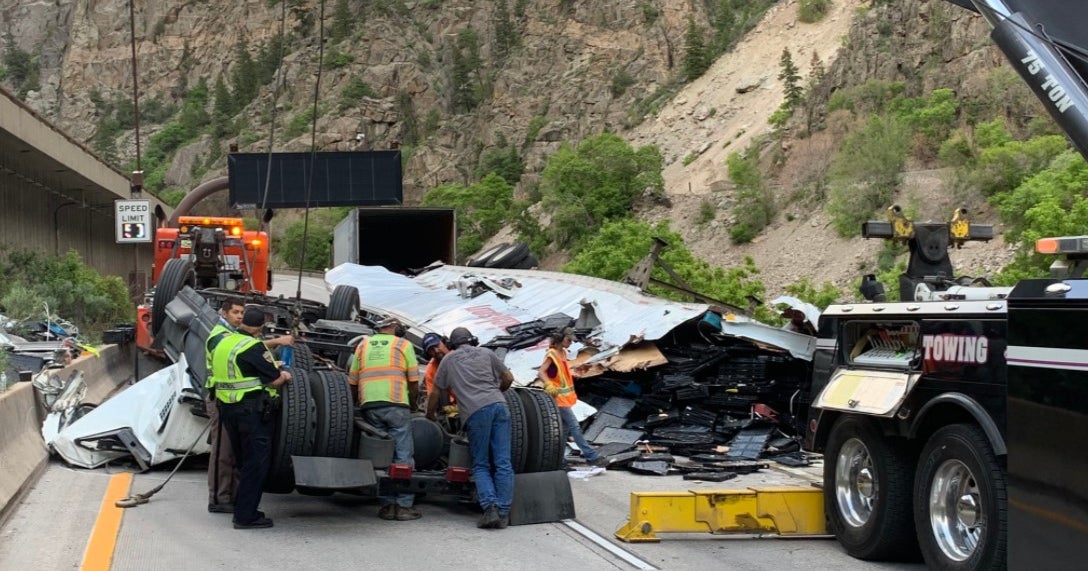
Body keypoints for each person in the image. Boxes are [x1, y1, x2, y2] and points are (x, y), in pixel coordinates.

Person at [205, 300, 295, 515]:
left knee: (238, 455)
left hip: (229, 400)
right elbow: (267, 373)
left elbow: (244, 361)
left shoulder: (232, 338)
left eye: (241, 312)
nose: (238, 315)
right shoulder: (219, 336)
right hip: (229, 401)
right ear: (224, 313)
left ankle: (235, 497)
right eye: (235, 312)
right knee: (224, 453)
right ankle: (220, 498)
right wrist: (279, 371)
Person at [427, 327, 515, 530]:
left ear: (451, 344)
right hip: (500, 407)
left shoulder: (448, 360)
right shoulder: (487, 352)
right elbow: (508, 378)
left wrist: (429, 415)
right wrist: (495, 393)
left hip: (476, 412)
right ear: (472, 340)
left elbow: (434, 393)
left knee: (481, 464)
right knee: (503, 462)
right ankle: (503, 513)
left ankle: (490, 508)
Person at [349, 317, 421, 521]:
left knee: (381, 457)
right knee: (403, 455)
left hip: (370, 405)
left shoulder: (362, 345)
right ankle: (404, 505)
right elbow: (414, 381)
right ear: (391, 327)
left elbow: (352, 381)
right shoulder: (403, 344)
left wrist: (354, 406)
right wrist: (413, 404)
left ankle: (387, 505)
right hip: (396, 403)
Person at [538, 327, 607, 468]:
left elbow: (562, 372)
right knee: (574, 426)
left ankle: (559, 461)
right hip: (557, 397)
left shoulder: (563, 352)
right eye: (568, 340)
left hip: (565, 397)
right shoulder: (552, 354)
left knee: (565, 430)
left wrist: (578, 370)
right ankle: (591, 456)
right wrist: (548, 384)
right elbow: (541, 372)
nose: (570, 343)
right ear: (559, 338)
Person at [420, 332, 454, 410]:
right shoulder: (431, 369)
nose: (436, 350)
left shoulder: (459, 354)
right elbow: (432, 395)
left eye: (437, 345)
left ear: (444, 343)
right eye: (431, 350)